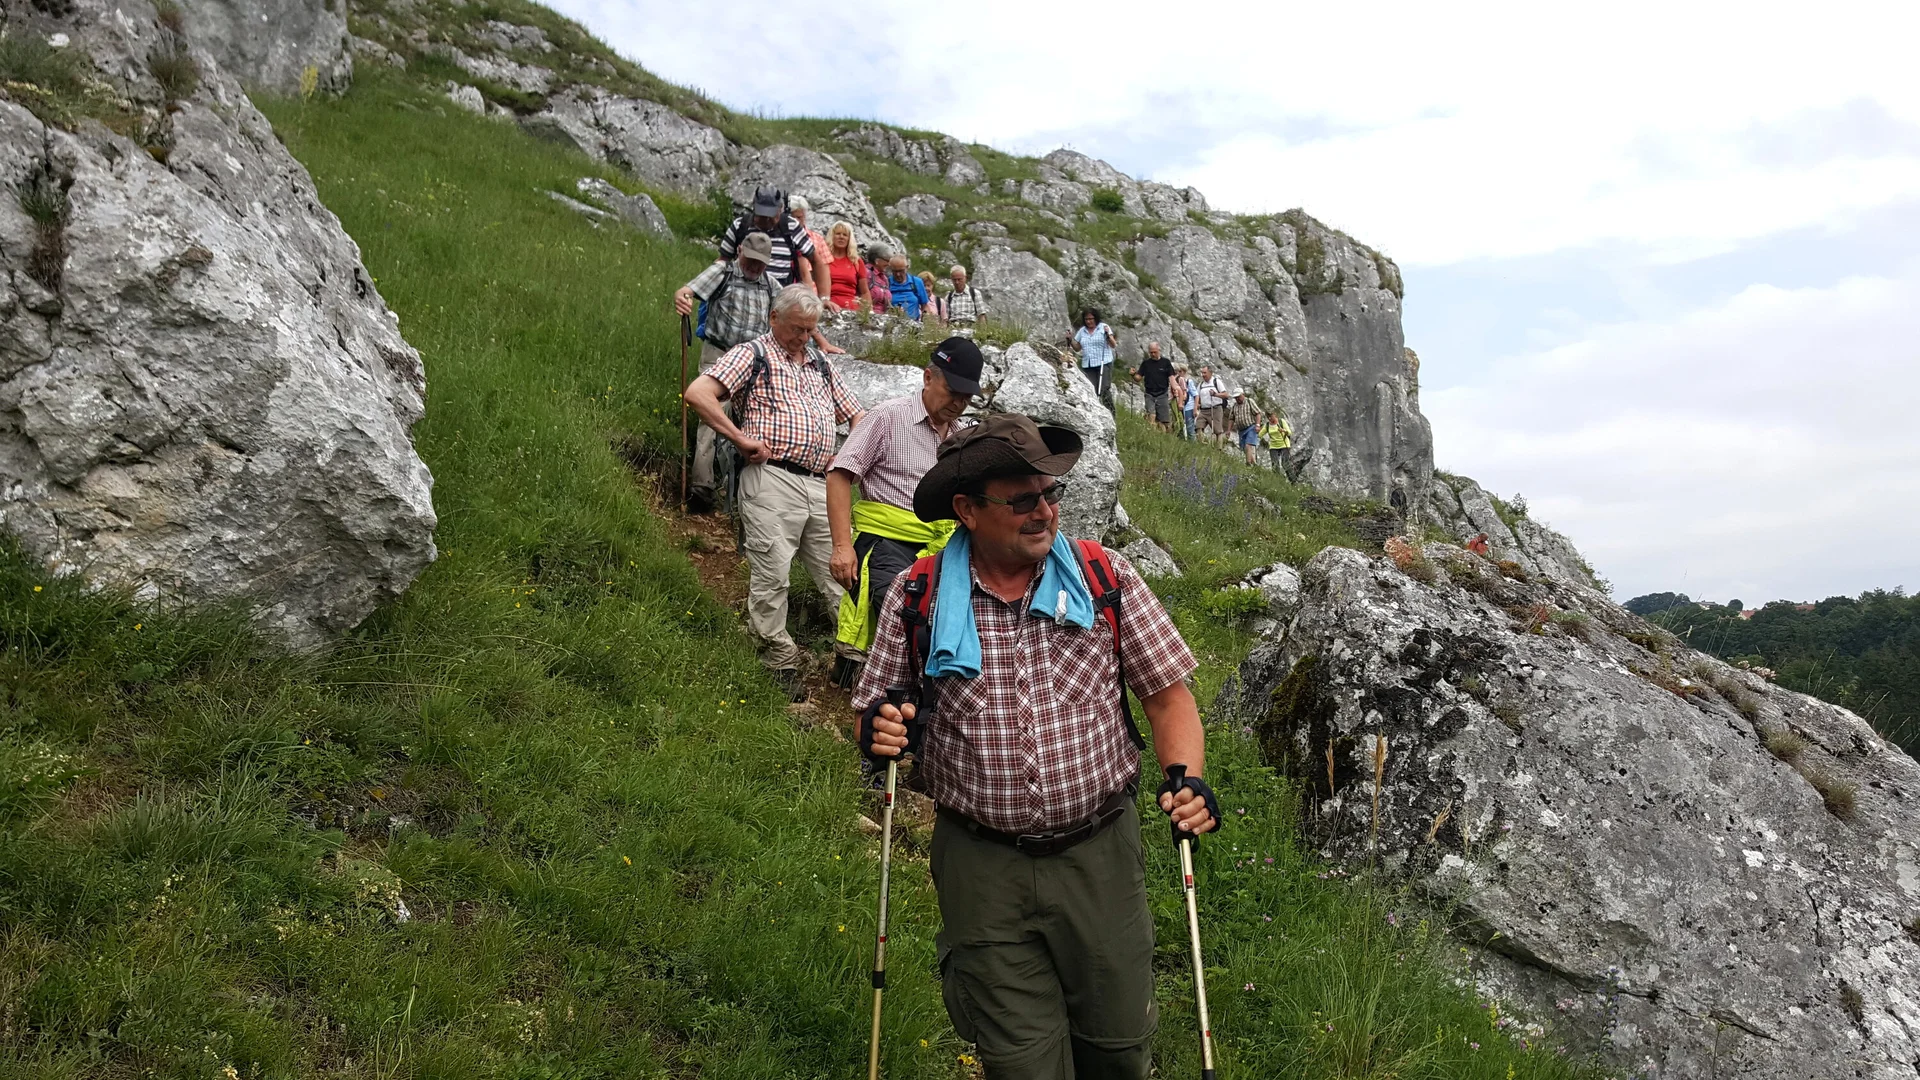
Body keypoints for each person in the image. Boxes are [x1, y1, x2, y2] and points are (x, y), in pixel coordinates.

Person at [856, 414, 1219, 1080]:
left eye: (1051, 494)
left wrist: (1186, 779)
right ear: (967, 509)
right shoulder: (918, 594)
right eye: (1023, 499)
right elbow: (877, 709)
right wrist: (881, 728)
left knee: (1117, 1051)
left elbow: (1169, 697)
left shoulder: (1105, 576)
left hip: (1101, 858)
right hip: (981, 866)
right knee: (1020, 1064)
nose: (1045, 511)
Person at [682, 285, 865, 702]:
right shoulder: (753, 354)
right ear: (774, 319)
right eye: (798, 329)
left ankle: (850, 658)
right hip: (772, 479)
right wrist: (740, 438)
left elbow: (857, 413)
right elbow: (698, 394)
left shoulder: (820, 362)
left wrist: (851, 455)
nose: (804, 337)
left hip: (822, 483)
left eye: (811, 329)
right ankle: (778, 661)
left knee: (843, 572)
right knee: (772, 575)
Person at [825, 337, 983, 685]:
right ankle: (885, 694)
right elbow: (840, 476)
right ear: (928, 377)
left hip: (938, 547)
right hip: (886, 540)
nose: (958, 402)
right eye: (953, 390)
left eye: (967, 396)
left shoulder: (960, 438)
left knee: (938, 618)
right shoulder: (888, 417)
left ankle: (874, 683)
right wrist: (841, 547)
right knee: (905, 616)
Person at [673, 231, 781, 512]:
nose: (754, 267)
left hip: (753, 360)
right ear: (740, 252)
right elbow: (687, 290)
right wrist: (683, 299)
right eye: (751, 260)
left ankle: (750, 493)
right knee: (712, 416)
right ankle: (702, 486)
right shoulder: (723, 272)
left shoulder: (771, 285)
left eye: (760, 262)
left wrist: (822, 343)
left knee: (756, 420)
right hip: (719, 355)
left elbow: (790, 315)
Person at [718, 185, 822, 292]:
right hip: (742, 291)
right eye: (762, 215)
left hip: (780, 293)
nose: (766, 220)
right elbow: (723, 261)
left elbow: (816, 260)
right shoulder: (740, 226)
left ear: (780, 209)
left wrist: (824, 297)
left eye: (770, 216)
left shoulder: (791, 226)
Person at [1071, 308, 1118, 409]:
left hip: (1104, 362)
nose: (1088, 321)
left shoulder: (1104, 327)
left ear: (1095, 318)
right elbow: (1077, 348)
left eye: (1091, 319)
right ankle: (1096, 411)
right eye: (1086, 319)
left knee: (1104, 388)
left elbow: (1113, 345)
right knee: (1091, 389)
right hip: (1088, 364)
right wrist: (1070, 340)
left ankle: (1110, 412)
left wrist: (1108, 336)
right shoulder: (1082, 331)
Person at [788, 195, 828, 298]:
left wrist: (824, 297)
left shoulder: (818, 239)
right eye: (793, 217)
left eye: (799, 217)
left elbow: (825, 269)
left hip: (812, 294)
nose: (796, 221)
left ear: (804, 216)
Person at [823, 222, 868, 312]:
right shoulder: (823, 259)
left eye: (845, 235)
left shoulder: (856, 261)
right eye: (838, 234)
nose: (841, 237)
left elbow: (865, 292)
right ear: (832, 236)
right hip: (828, 307)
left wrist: (866, 312)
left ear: (849, 239)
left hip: (852, 309)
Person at [1132, 341, 1175, 434]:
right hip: (1149, 393)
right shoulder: (1146, 364)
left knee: (1165, 421)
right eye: (1151, 352)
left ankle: (1166, 436)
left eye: (1155, 352)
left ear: (1159, 350)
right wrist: (1133, 374)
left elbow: (1171, 377)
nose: (1153, 354)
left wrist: (1176, 388)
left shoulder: (1166, 362)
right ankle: (1152, 434)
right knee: (1151, 415)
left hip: (1162, 394)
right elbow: (1138, 378)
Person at [888, 255, 931, 320]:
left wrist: (926, 319)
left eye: (901, 271)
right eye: (895, 271)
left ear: (907, 267)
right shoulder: (887, 283)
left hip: (913, 324)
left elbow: (925, 306)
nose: (898, 274)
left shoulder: (917, 282)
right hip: (892, 323)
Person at [1194, 365, 1227, 446]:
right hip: (1204, 410)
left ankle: (1219, 448)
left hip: (1215, 409)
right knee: (1198, 426)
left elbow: (1225, 394)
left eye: (1205, 373)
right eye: (1202, 373)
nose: (1203, 375)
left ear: (1210, 373)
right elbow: (1197, 395)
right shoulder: (1201, 384)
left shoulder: (1216, 382)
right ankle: (1202, 443)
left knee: (1218, 430)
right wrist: (1195, 408)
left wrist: (1215, 394)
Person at [945, 264, 986, 330]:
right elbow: (946, 319)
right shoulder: (948, 297)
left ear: (965, 278)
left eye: (959, 279)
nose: (957, 282)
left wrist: (983, 334)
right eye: (954, 280)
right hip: (953, 329)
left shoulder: (975, 293)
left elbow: (981, 316)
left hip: (971, 328)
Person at [1229, 389, 1259, 465]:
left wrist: (1257, 425)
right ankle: (1254, 464)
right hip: (1241, 430)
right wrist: (1228, 430)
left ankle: (1248, 464)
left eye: (1238, 397)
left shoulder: (1249, 402)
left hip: (1251, 427)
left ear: (1243, 394)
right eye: (1235, 397)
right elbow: (1231, 418)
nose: (1237, 399)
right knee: (1244, 448)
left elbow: (1258, 413)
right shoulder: (1234, 406)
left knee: (1248, 445)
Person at [865, 244, 893, 313]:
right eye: (887, 261)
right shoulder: (866, 273)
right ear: (877, 261)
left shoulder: (884, 278)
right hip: (867, 315)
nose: (889, 264)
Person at [1177, 366, 1198, 440]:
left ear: (1184, 372)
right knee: (1180, 427)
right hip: (1181, 407)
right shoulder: (1177, 381)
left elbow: (1196, 395)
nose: (1178, 373)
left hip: (1189, 407)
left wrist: (1195, 409)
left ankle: (1192, 445)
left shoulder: (1189, 381)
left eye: (1180, 371)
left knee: (1190, 428)